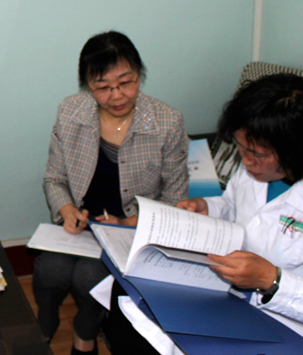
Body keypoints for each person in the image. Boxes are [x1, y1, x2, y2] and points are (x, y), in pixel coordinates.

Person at [106, 74, 303, 355]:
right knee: (127, 294)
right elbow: (235, 205)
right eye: (242, 148)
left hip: (291, 329)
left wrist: (273, 281)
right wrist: (208, 208)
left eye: (257, 154)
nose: (246, 161)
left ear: (297, 152)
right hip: (232, 298)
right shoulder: (260, 163)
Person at [35, 31, 189, 354]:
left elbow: (175, 201)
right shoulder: (71, 112)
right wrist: (66, 210)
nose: (117, 95)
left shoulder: (167, 122)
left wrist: (128, 223)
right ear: (87, 86)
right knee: (48, 270)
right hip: (81, 226)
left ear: (139, 75)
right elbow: (54, 179)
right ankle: (44, 323)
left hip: (131, 230)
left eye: (126, 82)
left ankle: (84, 334)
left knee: (88, 276)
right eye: (103, 87)